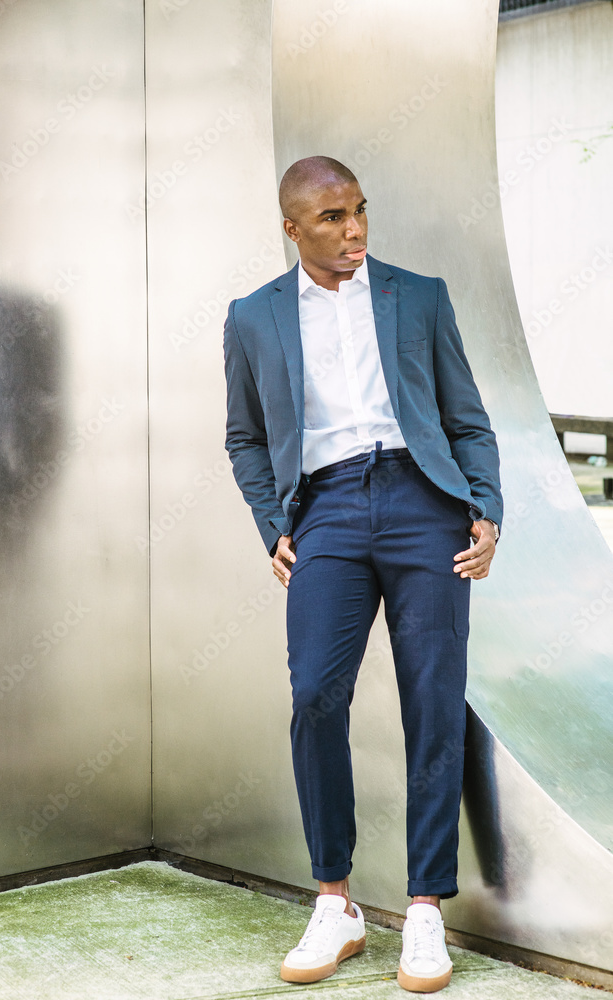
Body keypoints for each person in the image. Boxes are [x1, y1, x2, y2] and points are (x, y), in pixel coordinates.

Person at [223, 156, 502, 993]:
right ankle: (336, 901)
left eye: (359, 212)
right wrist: (273, 522)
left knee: (431, 698)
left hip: (424, 503)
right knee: (313, 695)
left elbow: (466, 416)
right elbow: (242, 437)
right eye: (333, 218)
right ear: (292, 228)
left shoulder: (417, 296)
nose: (354, 231)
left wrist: (484, 508)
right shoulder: (251, 317)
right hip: (326, 511)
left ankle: (423, 909)